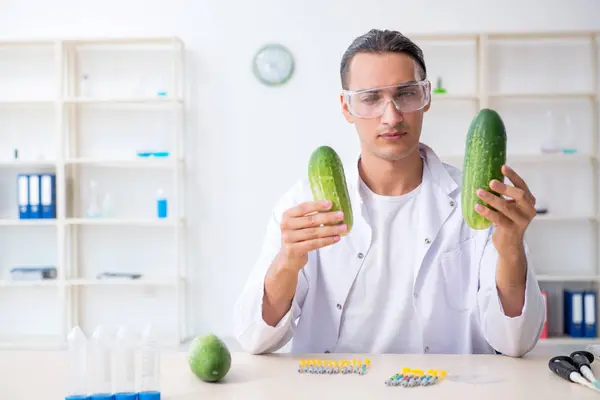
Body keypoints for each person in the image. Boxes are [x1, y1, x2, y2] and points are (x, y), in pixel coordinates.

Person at [233, 28, 546, 357]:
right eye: (371, 98)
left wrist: (511, 248)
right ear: (346, 107)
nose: (392, 116)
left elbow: (515, 343)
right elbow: (255, 338)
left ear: (426, 98)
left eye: (406, 93)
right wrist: (287, 261)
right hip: (337, 387)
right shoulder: (303, 206)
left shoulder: (485, 204)